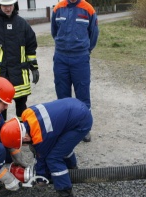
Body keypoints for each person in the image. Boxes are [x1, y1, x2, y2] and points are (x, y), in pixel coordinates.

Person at [0, 97, 93, 197]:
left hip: (80, 122)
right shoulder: (27, 115)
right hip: (74, 109)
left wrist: (40, 179)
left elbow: (42, 158)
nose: (24, 146)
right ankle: (72, 168)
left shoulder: (41, 137)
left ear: (24, 137)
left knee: (53, 158)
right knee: (62, 147)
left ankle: (66, 195)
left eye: (22, 143)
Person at [0, 0, 39, 121]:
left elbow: (31, 47)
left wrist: (34, 68)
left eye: (10, 5)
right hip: (0, 75)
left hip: (20, 75)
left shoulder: (22, 24)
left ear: (14, 5)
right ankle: (0, 132)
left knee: (22, 107)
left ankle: (22, 131)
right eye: (5, 5)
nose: (8, 8)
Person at [51, 0, 99, 142]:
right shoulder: (58, 8)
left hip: (80, 58)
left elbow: (94, 33)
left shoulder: (88, 9)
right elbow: (54, 31)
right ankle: (65, 127)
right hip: (61, 58)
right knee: (62, 94)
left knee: (82, 94)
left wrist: (86, 50)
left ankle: (84, 128)